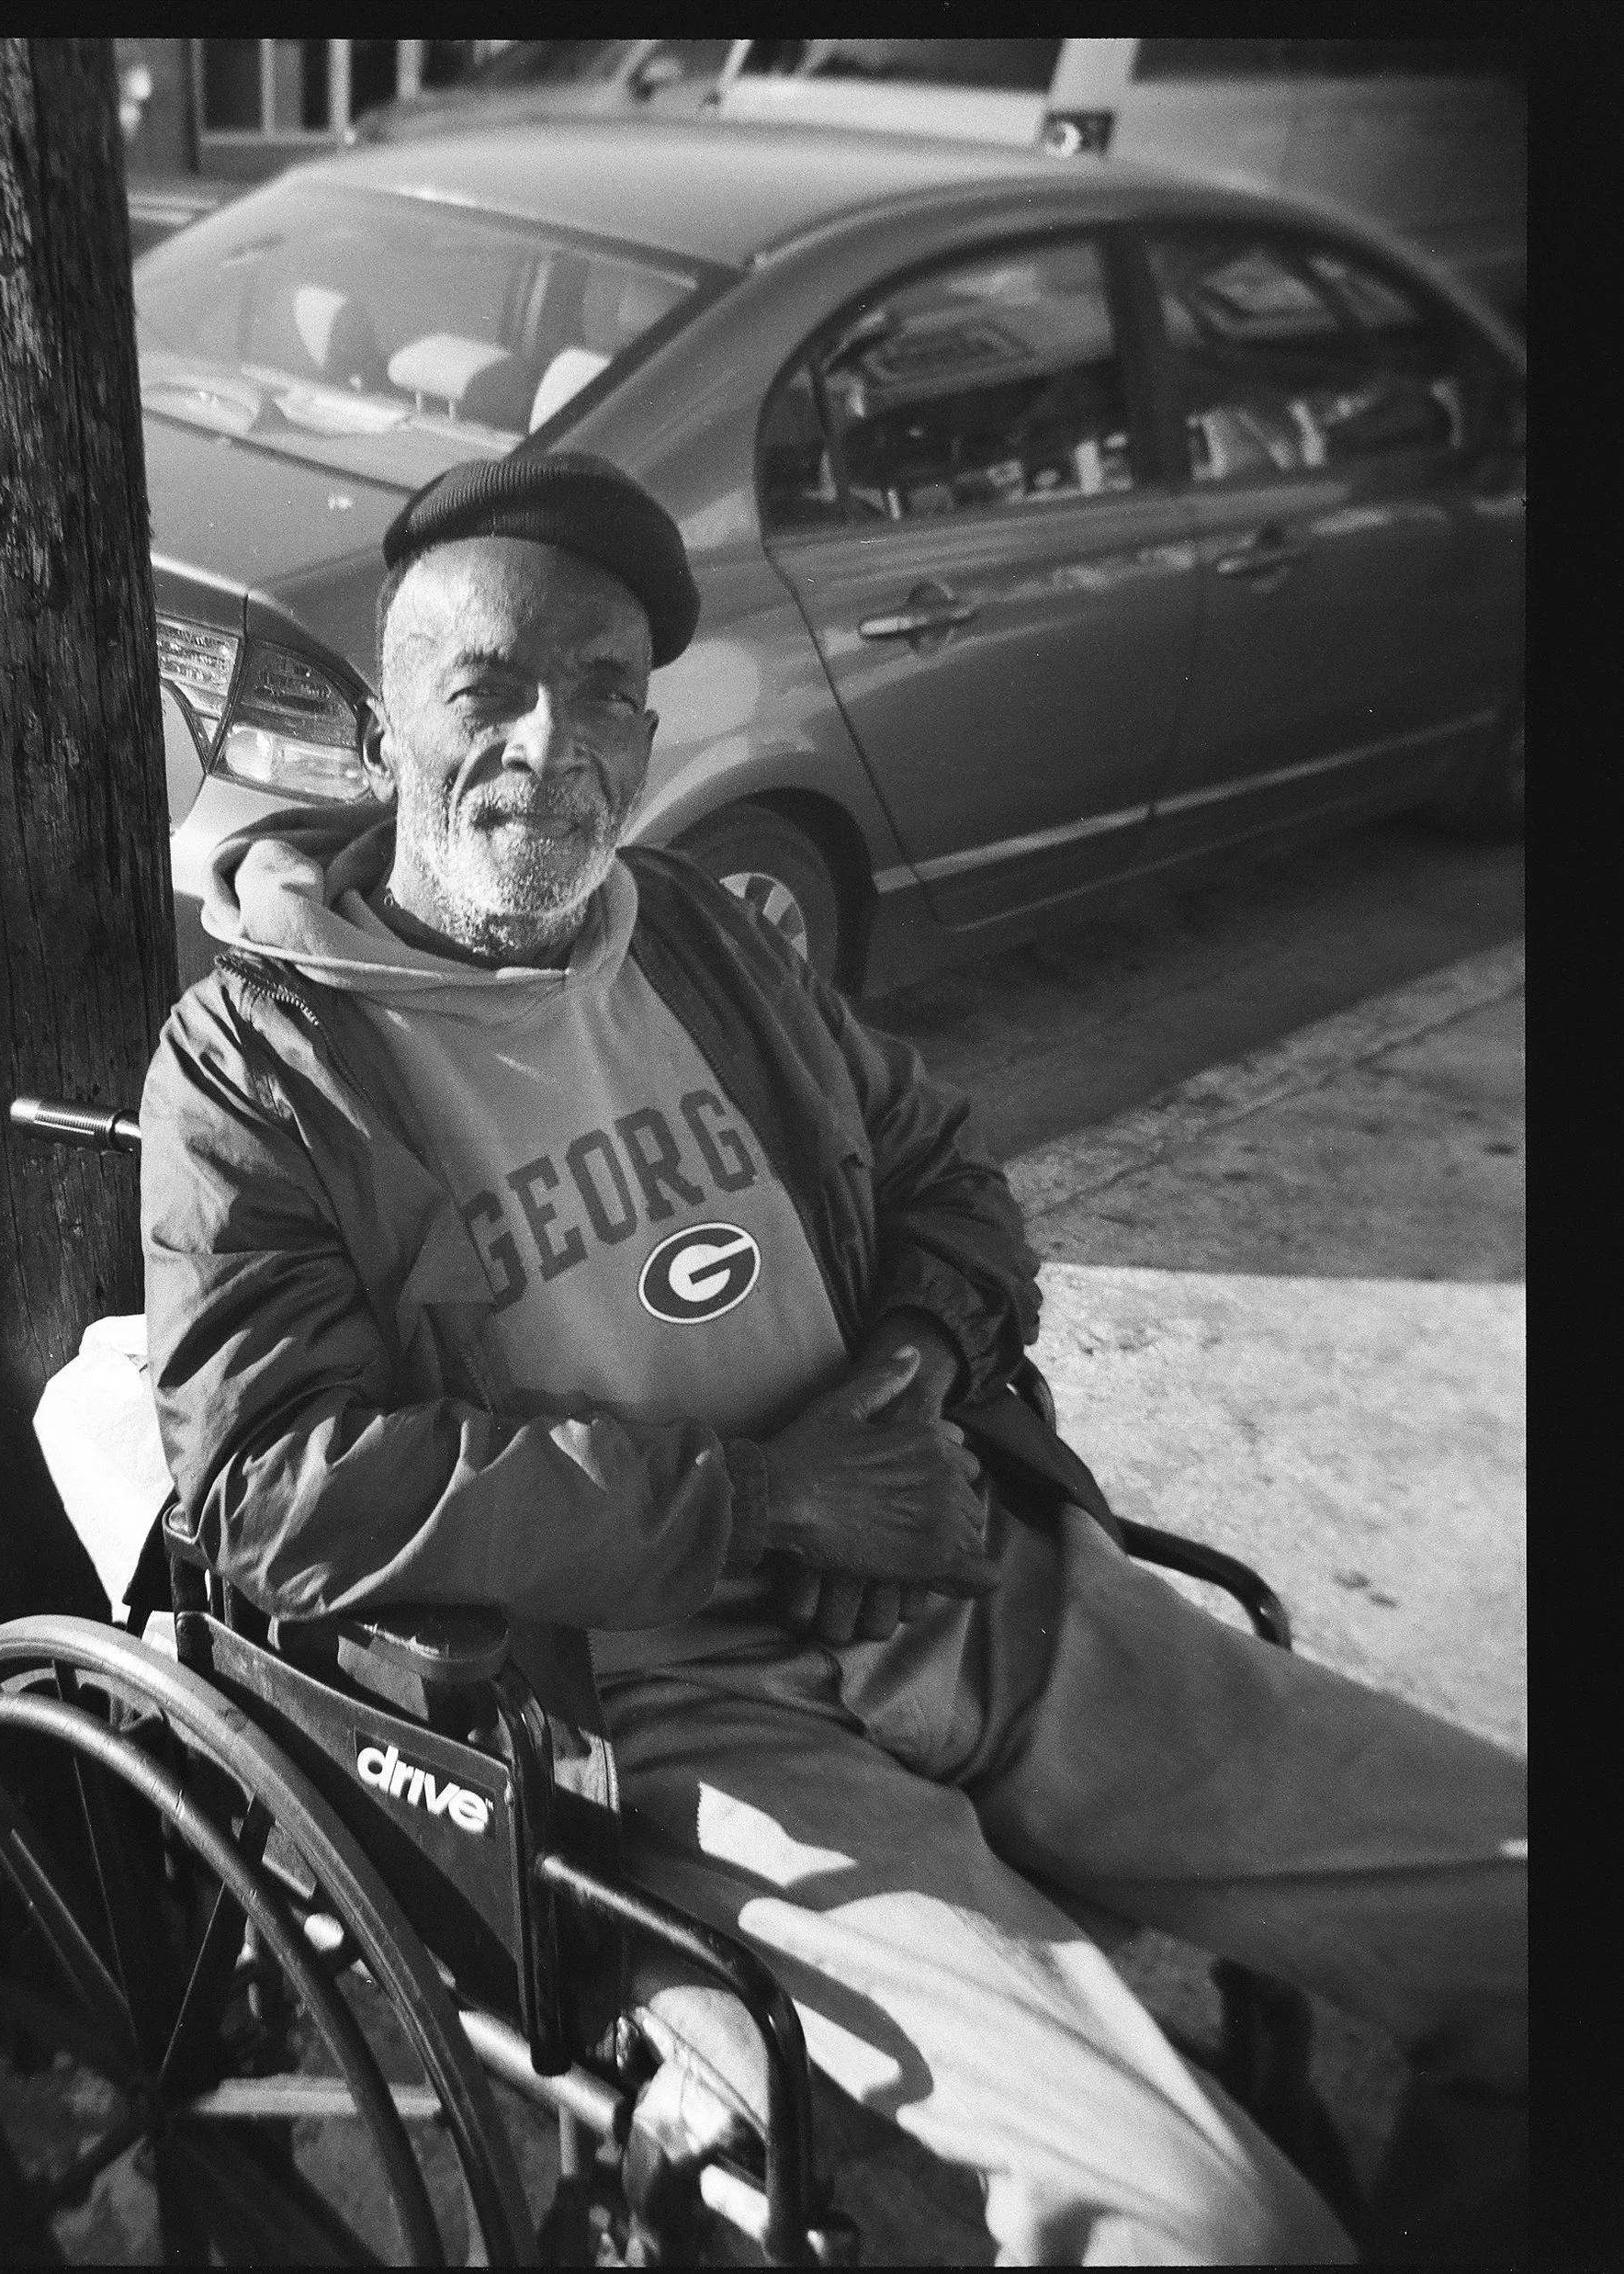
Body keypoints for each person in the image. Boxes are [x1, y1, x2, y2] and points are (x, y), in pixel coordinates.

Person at [136, 452, 1525, 2265]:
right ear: (384, 723)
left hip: (954, 1578)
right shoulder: (260, 1063)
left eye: (605, 695)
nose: (552, 744)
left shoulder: (698, 937)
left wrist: (906, 1390)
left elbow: (945, 1175)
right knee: (1209, 2230)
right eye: (486, 686)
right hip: (663, 1704)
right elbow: (263, 1483)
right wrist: (768, 1501)